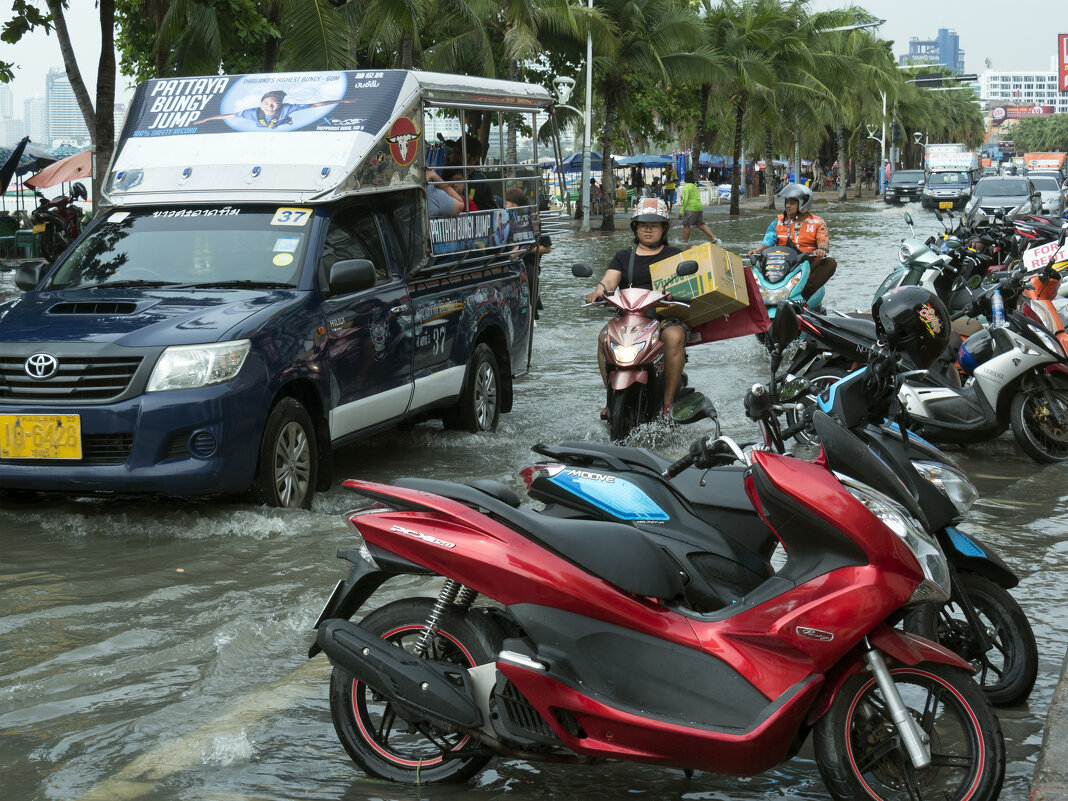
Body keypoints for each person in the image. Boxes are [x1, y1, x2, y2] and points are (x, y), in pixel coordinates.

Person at [585, 197, 685, 419]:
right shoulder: (623, 257)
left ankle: (668, 406)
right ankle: (610, 398)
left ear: (664, 228)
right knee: (604, 338)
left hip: (662, 318)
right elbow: (608, 281)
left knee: (675, 336)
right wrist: (598, 291)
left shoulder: (675, 255)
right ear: (635, 228)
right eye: (643, 225)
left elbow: (689, 284)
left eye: (654, 225)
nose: (648, 230)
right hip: (629, 319)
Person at [747, 183, 836, 302]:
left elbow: (823, 242)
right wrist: (757, 251)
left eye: (792, 203)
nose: (788, 206)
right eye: (786, 202)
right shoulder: (778, 221)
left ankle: (802, 294)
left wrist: (821, 250)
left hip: (806, 267)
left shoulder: (817, 222)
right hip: (781, 265)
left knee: (830, 263)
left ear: (803, 204)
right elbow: (768, 241)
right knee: (752, 269)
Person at [196, 90, 355, 129]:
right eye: (266, 104)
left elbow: (315, 105)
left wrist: (341, 100)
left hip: (283, 124)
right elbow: (228, 115)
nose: (270, 107)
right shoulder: (251, 113)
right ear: (261, 104)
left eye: (274, 104)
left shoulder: (287, 109)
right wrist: (207, 119)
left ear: (280, 104)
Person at [677, 170, 718, 245]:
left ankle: (684, 242)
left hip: (691, 209)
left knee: (686, 225)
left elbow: (685, 199)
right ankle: (713, 238)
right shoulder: (695, 186)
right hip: (699, 208)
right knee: (701, 224)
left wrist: (681, 211)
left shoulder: (686, 187)